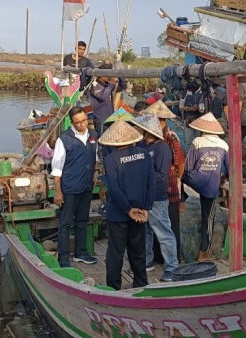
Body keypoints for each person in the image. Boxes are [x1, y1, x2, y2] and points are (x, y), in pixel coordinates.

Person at [99, 120, 156, 290]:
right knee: (138, 251)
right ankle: (141, 284)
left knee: (116, 252)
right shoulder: (144, 155)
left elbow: (114, 189)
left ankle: (114, 287)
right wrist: (146, 207)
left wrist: (127, 209)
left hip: (119, 212)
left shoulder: (110, 159)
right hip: (140, 211)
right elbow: (151, 183)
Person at [132, 114, 179, 281]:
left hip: (157, 197)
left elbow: (161, 176)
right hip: (143, 196)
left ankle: (172, 267)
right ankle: (147, 261)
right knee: (146, 232)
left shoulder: (162, 149)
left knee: (163, 232)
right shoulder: (142, 146)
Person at [51, 107, 99, 268]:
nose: (82, 125)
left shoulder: (93, 136)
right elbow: (57, 168)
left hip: (86, 186)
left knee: (82, 220)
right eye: (78, 122)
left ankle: (81, 252)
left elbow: (95, 157)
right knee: (65, 223)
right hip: (70, 187)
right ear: (72, 123)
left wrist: (96, 172)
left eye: (84, 120)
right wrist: (58, 191)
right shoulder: (64, 139)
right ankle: (63, 257)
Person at [183, 113, 229, 262]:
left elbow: (188, 166)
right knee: (208, 218)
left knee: (181, 175)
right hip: (211, 184)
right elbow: (229, 169)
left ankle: (181, 200)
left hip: (194, 180)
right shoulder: (224, 145)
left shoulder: (197, 141)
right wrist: (221, 178)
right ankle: (204, 251)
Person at [144, 100, 186, 262]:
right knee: (155, 226)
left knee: (169, 225)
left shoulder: (170, 136)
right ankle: (157, 258)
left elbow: (180, 162)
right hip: (155, 187)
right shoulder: (149, 136)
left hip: (169, 185)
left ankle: (172, 260)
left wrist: (177, 179)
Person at [88, 62, 128, 133]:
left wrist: (121, 75)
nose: (109, 76)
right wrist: (111, 84)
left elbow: (122, 87)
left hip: (110, 117)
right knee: (101, 139)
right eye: (107, 74)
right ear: (101, 75)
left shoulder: (108, 84)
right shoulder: (94, 85)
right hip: (101, 119)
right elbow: (103, 97)